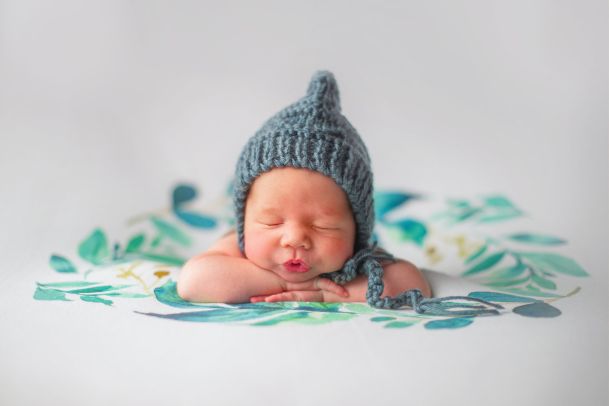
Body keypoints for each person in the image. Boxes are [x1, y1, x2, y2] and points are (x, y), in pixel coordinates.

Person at [177, 71, 502, 315]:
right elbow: (194, 281)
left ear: (357, 228)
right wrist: (290, 284)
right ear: (244, 218)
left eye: (323, 225)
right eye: (272, 222)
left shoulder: (356, 260)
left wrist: (326, 293)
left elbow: (412, 281)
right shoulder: (238, 246)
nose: (295, 239)